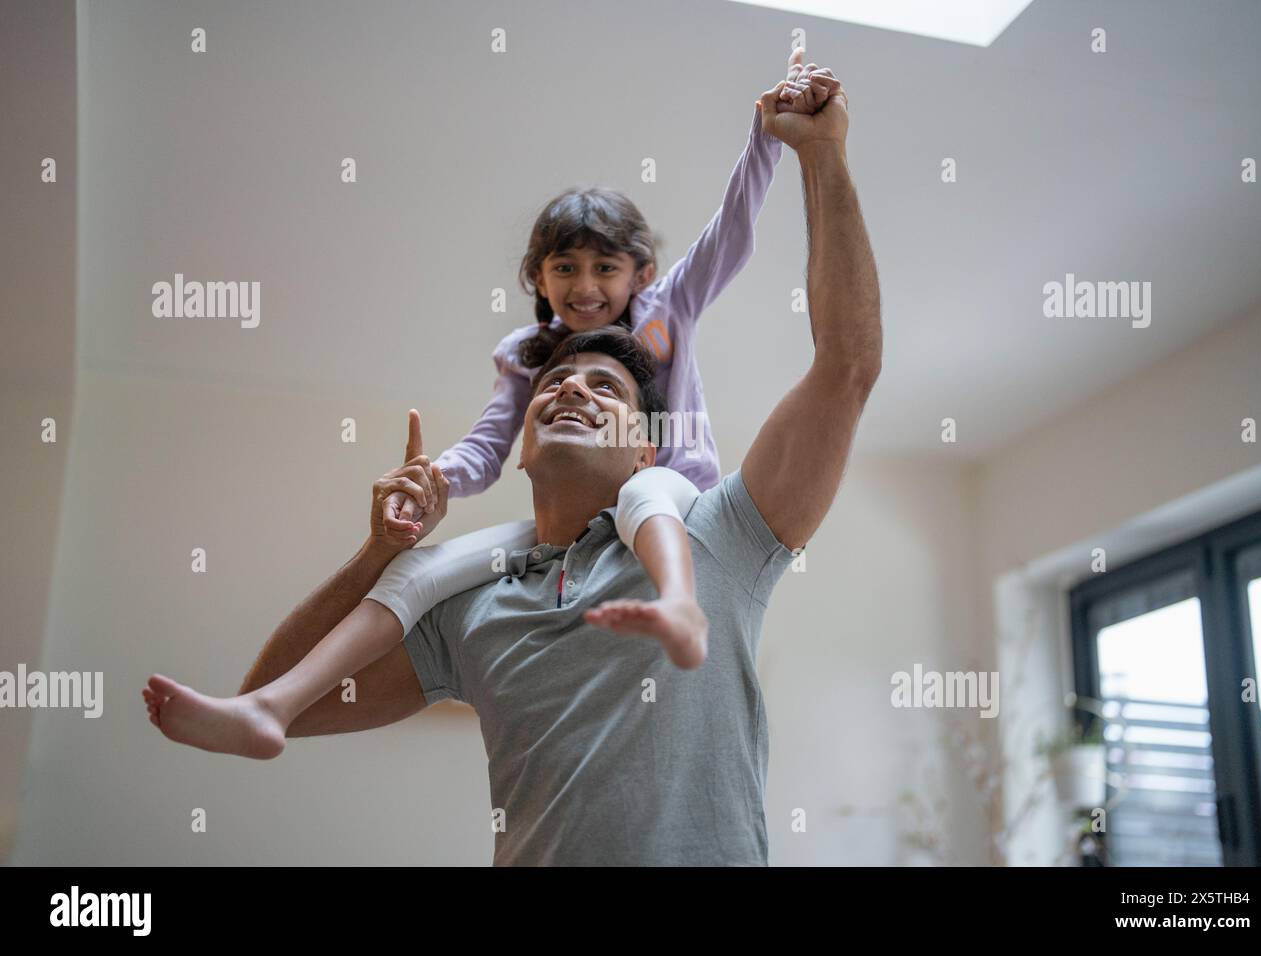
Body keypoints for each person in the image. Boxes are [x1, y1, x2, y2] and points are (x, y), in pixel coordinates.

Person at [145, 64, 879, 866]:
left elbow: (844, 362)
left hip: (675, 522)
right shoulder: (478, 601)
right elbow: (276, 700)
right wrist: (383, 551)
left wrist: (817, 156)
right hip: (502, 564)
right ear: (524, 445)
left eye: (605, 385)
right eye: (555, 384)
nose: (569, 389)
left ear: (646, 439)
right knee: (410, 577)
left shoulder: (722, 533)